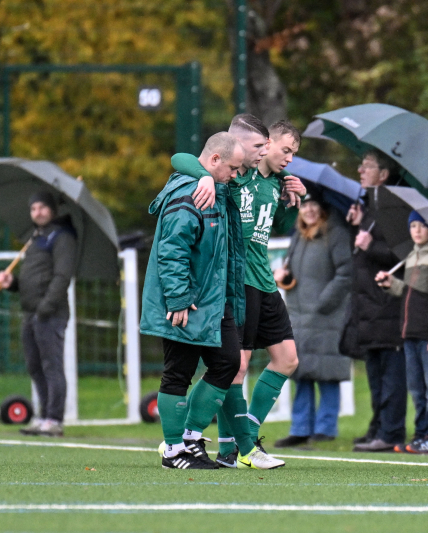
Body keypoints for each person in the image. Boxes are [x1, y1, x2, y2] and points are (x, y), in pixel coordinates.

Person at [171, 116, 306, 469]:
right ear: (265, 145)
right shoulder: (236, 174)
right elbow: (182, 159)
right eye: (284, 149)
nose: (288, 158)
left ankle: (245, 436)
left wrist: (296, 201)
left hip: (265, 282)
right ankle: (225, 445)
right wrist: (203, 175)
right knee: (237, 365)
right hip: (237, 281)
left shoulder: (277, 183)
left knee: (288, 359)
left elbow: (275, 228)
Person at [140, 132, 247, 470]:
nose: (235, 175)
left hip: (212, 302)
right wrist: (179, 299)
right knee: (178, 373)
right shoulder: (190, 195)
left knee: (228, 362)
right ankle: (173, 451)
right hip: (187, 303)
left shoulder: (215, 188)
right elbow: (172, 253)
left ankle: (190, 438)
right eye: (232, 168)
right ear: (215, 160)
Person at [272, 190, 353, 447]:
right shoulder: (298, 237)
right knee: (301, 372)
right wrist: (283, 275)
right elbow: (292, 273)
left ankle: (326, 428)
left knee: (327, 372)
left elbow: (346, 273)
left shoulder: (336, 234)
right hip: (298, 317)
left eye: (314, 205)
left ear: (323, 210)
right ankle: (300, 428)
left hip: (326, 316)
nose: (309, 210)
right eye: (305, 206)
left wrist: (324, 302)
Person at [0, 190, 77, 437]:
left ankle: (54, 419)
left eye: (42, 207)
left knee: (52, 366)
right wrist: (13, 283)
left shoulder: (62, 237)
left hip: (49, 314)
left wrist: (45, 307)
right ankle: (43, 417)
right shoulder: (35, 238)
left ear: (52, 209)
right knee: (35, 367)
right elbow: (33, 280)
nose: (37, 212)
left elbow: (62, 277)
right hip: (30, 313)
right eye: (33, 208)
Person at [375, 211, 428, 455]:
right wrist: (392, 285)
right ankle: (421, 434)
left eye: (422, 226)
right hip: (410, 334)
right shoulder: (412, 256)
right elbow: (412, 293)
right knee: (417, 390)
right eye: (413, 226)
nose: (417, 231)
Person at [343, 150, 407, 452]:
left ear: (383, 174)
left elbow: (403, 255)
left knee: (392, 376)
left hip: (387, 305)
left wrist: (373, 246)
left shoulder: (394, 208)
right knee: (376, 375)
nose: (360, 170)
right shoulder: (369, 208)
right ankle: (377, 428)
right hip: (367, 308)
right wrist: (357, 226)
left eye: (367, 166)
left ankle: (391, 431)